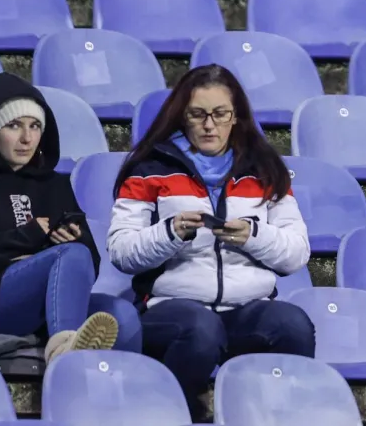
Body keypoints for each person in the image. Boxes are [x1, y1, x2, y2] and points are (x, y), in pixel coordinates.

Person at [108, 65, 314, 422]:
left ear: (236, 117)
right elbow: (122, 251)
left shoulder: (266, 171)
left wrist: (254, 235)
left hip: (248, 307)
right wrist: (169, 232)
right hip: (173, 306)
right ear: (181, 117)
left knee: (293, 325)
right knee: (201, 330)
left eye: (220, 114)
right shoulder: (148, 169)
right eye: (198, 114)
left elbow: (296, 253)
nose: (209, 125)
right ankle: (172, 414)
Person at [0, 72, 142, 365]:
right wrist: (24, 240)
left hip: (43, 302)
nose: (27, 138)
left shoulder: (55, 185)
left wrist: (75, 241)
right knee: (70, 255)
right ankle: (65, 360)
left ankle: (118, 398)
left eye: (35, 126)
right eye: (14, 126)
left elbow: (90, 264)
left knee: (122, 315)